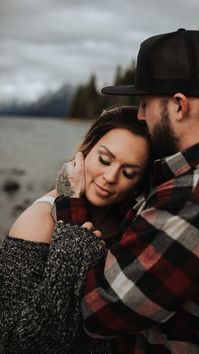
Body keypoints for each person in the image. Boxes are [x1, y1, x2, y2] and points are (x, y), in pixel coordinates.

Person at [75, 28, 199, 353]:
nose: (140, 115)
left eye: (145, 103)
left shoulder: (197, 194)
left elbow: (99, 311)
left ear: (179, 106)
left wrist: (70, 206)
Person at [0, 106, 151, 353]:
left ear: (138, 185)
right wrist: (74, 235)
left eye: (129, 172)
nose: (110, 176)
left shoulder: (131, 224)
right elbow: (17, 343)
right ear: (85, 152)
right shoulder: (38, 222)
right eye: (104, 159)